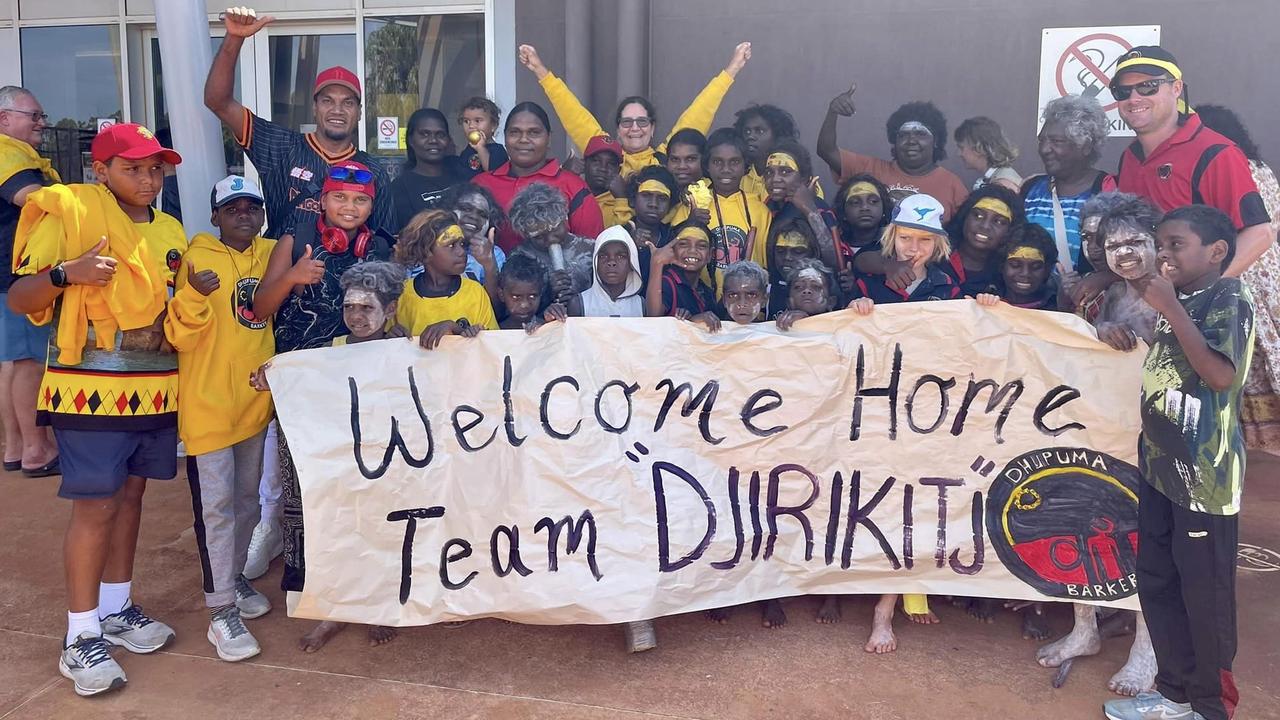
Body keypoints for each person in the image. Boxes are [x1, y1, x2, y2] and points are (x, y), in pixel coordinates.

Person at [8, 123, 184, 696]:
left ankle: (116, 607)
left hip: (154, 388)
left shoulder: (171, 229)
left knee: (131, 498)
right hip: (88, 390)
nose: (148, 178)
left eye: (155, 168)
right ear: (100, 171)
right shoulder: (73, 216)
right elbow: (19, 297)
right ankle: (79, 635)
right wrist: (66, 274)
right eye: (133, 168)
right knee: (95, 506)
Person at [1102, 205, 1255, 720]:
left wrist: (1172, 310)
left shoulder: (1226, 297)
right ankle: (1172, 693)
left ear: (1215, 252)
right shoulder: (1182, 298)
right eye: (1160, 245)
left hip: (1205, 481)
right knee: (1159, 579)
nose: (1163, 254)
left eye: (1175, 245)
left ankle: (1211, 706)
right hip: (1161, 471)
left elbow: (1218, 377)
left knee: (1204, 594)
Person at [253, 159, 392, 606]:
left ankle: (359, 571)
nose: (349, 208)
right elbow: (259, 307)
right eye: (340, 198)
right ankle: (301, 579)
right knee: (299, 481)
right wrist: (293, 277)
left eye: (360, 201)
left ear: (371, 205)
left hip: (358, 386)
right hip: (304, 386)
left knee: (356, 478)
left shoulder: (380, 248)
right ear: (323, 200)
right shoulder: (299, 240)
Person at [250, 261, 406, 652]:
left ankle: (378, 607)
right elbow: (303, 382)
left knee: (382, 532)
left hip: (387, 461)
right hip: (341, 464)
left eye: (367, 308)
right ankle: (336, 610)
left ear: (389, 311)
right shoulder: (331, 351)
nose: (356, 316)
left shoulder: (403, 349)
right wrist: (276, 378)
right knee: (339, 534)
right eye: (349, 307)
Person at [163, 176, 275, 662]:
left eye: (252, 207)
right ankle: (220, 610)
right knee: (216, 511)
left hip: (253, 407)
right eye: (233, 209)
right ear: (215, 217)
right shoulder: (196, 258)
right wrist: (191, 293)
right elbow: (177, 336)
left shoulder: (271, 253)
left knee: (248, 501)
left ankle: (234, 578)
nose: (243, 215)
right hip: (208, 408)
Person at [205, 8, 395, 240]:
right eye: (327, 101)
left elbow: (384, 241)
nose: (337, 110)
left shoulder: (372, 171)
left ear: (359, 112)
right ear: (315, 108)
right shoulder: (280, 146)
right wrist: (234, 39)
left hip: (347, 276)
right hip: (282, 273)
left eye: (348, 103)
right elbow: (218, 102)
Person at [1113, 46, 1273, 281]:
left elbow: (1259, 234)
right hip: (1150, 303)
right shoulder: (1130, 157)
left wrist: (1203, 294)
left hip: (1199, 311)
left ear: (1176, 88)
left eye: (1148, 86)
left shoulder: (1214, 151)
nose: (1134, 98)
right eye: (1123, 91)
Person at [517, 42, 752, 178]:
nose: (635, 128)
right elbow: (572, 113)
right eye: (627, 122)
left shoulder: (666, 158)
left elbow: (699, 114)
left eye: (642, 122)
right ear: (618, 130)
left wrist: (731, 71)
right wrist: (541, 71)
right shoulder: (605, 158)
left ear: (652, 129)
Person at [1196, 104, 1280, 454]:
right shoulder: (1263, 170)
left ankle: (1263, 447)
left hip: (1244, 273)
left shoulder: (1226, 170)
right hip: (1272, 274)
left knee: (1252, 357)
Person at [0, 85, 59, 477]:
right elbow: (33, 199)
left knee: (15, 363)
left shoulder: (19, 154)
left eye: (40, 116)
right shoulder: (8, 155)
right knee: (30, 363)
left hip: (14, 277)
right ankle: (36, 449)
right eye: (32, 115)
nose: (41, 122)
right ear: (4, 119)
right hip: (17, 277)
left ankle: (17, 447)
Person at [471, 102, 604, 252]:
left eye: (534, 132)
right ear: (505, 138)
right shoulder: (481, 184)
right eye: (515, 132)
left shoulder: (573, 186)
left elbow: (591, 251)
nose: (524, 139)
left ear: (549, 138)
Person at [817, 86, 967, 217]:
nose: (911, 140)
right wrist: (833, 112)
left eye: (921, 134)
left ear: (936, 141)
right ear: (894, 142)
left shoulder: (952, 185)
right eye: (903, 134)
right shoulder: (869, 170)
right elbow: (826, 151)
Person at [1023, 95, 1117, 274]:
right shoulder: (1030, 189)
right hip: (1030, 301)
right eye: (1042, 140)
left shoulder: (1107, 190)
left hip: (1083, 300)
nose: (1044, 149)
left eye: (1056, 142)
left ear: (1086, 146)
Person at [393, 209, 497, 347]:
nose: (461, 252)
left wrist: (457, 330)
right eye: (451, 245)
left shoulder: (475, 293)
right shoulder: (402, 295)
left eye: (461, 244)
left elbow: (492, 345)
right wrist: (391, 337)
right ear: (425, 252)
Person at [848, 193, 960, 306]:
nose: (914, 248)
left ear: (936, 243)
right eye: (905, 237)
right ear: (892, 237)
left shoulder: (948, 287)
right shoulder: (868, 285)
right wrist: (856, 307)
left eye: (925, 239)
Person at [700, 128, 771, 291]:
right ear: (707, 165)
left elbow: (766, 263)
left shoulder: (760, 210)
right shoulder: (696, 205)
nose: (726, 169)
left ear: (745, 165)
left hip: (747, 303)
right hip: (704, 303)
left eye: (734, 162)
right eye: (718, 162)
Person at [506, 182, 595, 304]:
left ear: (565, 218)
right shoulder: (520, 257)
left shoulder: (590, 248)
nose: (551, 240)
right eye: (539, 237)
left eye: (555, 229)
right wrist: (548, 293)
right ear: (526, 234)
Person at [390, 108, 472, 233]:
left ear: (448, 140)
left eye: (440, 135)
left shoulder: (463, 176)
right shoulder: (400, 187)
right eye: (424, 134)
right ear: (411, 140)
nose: (433, 140)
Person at [763, 140, 841, 272]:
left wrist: (809, 210)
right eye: (769, 172)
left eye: (785, 171)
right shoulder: (767, 206)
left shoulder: (818, 207)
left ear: (804, 178)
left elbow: (834, 260)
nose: (775, 179)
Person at [545, 225, 645, 319]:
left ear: (632, 263)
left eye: (621, 256)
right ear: (595, 262)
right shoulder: (579, 304)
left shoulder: (642, 305)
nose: (611, 262)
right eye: (603, 256)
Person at [942, 185, 1024, 296]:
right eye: (978, 216)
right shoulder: (936, 256)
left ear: (1012, 229)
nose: (985, 226)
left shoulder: (1011, 273)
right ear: (964, 216)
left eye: (998, 222)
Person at [645, 220, 719, 330]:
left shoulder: (706, 291)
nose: (692, 250)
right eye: (684, 244)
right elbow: (654, 318)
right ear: (672, 251)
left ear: (710, 255)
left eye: (701, 246)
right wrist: (657, 263)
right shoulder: (667, 283)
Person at [440, 183, 505, 303]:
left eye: (482, 214)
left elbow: (497, 311)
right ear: (448, 211)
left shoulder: (495, 253)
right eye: (466, 209)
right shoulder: (428, 247)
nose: (474, 217)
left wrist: (489, 265)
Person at [974, 223, 1060, 311]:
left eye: (1035, 267)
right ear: (1001, 265)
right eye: (1015, 265)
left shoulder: (1058, 306)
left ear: (1047, 270)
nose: (1025, 273)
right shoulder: (987, 300)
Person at [735, 104, 804, 200]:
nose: (750, 136)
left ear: (778, 135)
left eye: (760, 131)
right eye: (747, 131)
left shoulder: (797, 176)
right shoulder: (738, 177)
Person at [626, 166, 678, 284]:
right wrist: (630, 245)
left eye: (662, 198)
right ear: (633, 199)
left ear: (670, 205)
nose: (653, 204)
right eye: (646, 195)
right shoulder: (618, 235)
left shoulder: (673, 239)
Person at [955, 116, 1023, 192]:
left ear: (979, 148)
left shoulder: (1002, 185)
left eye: (961, 148)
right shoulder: (999, 178)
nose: (959, 154)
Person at [775, 258, 839, 331]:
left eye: (816, 287)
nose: (806, 291)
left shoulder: (842, 327)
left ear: (831, 302)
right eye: (798, 287)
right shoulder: (777, 328)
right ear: (789, 301)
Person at [580, 135, 626, 228]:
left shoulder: (622, 203)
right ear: (584, 164)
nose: (603, 168)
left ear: (619, 170)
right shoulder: (572, 194)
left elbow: (621, 236)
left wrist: (622, 199)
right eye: (596, 161)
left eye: (611, 164)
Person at [456, 96, 508, 174]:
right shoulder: (467, 150)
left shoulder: (498, 151)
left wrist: (481, 148)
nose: (471, 126)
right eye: (466, 121)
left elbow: (491, 173)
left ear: (493, 125)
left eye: (477, 121)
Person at [496, 254, 548, 330]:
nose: (525, 305)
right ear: (501, 295)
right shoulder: (495, 331)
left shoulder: (548, 329)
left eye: (532, 296)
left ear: (541, 293)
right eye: (516, 297)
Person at [720, 260, 769, 325]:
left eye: (752, 295)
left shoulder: (774, 332)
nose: (742, 304)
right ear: (724, 300)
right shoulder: (710, 331)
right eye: (733, 295)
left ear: (764, 300)